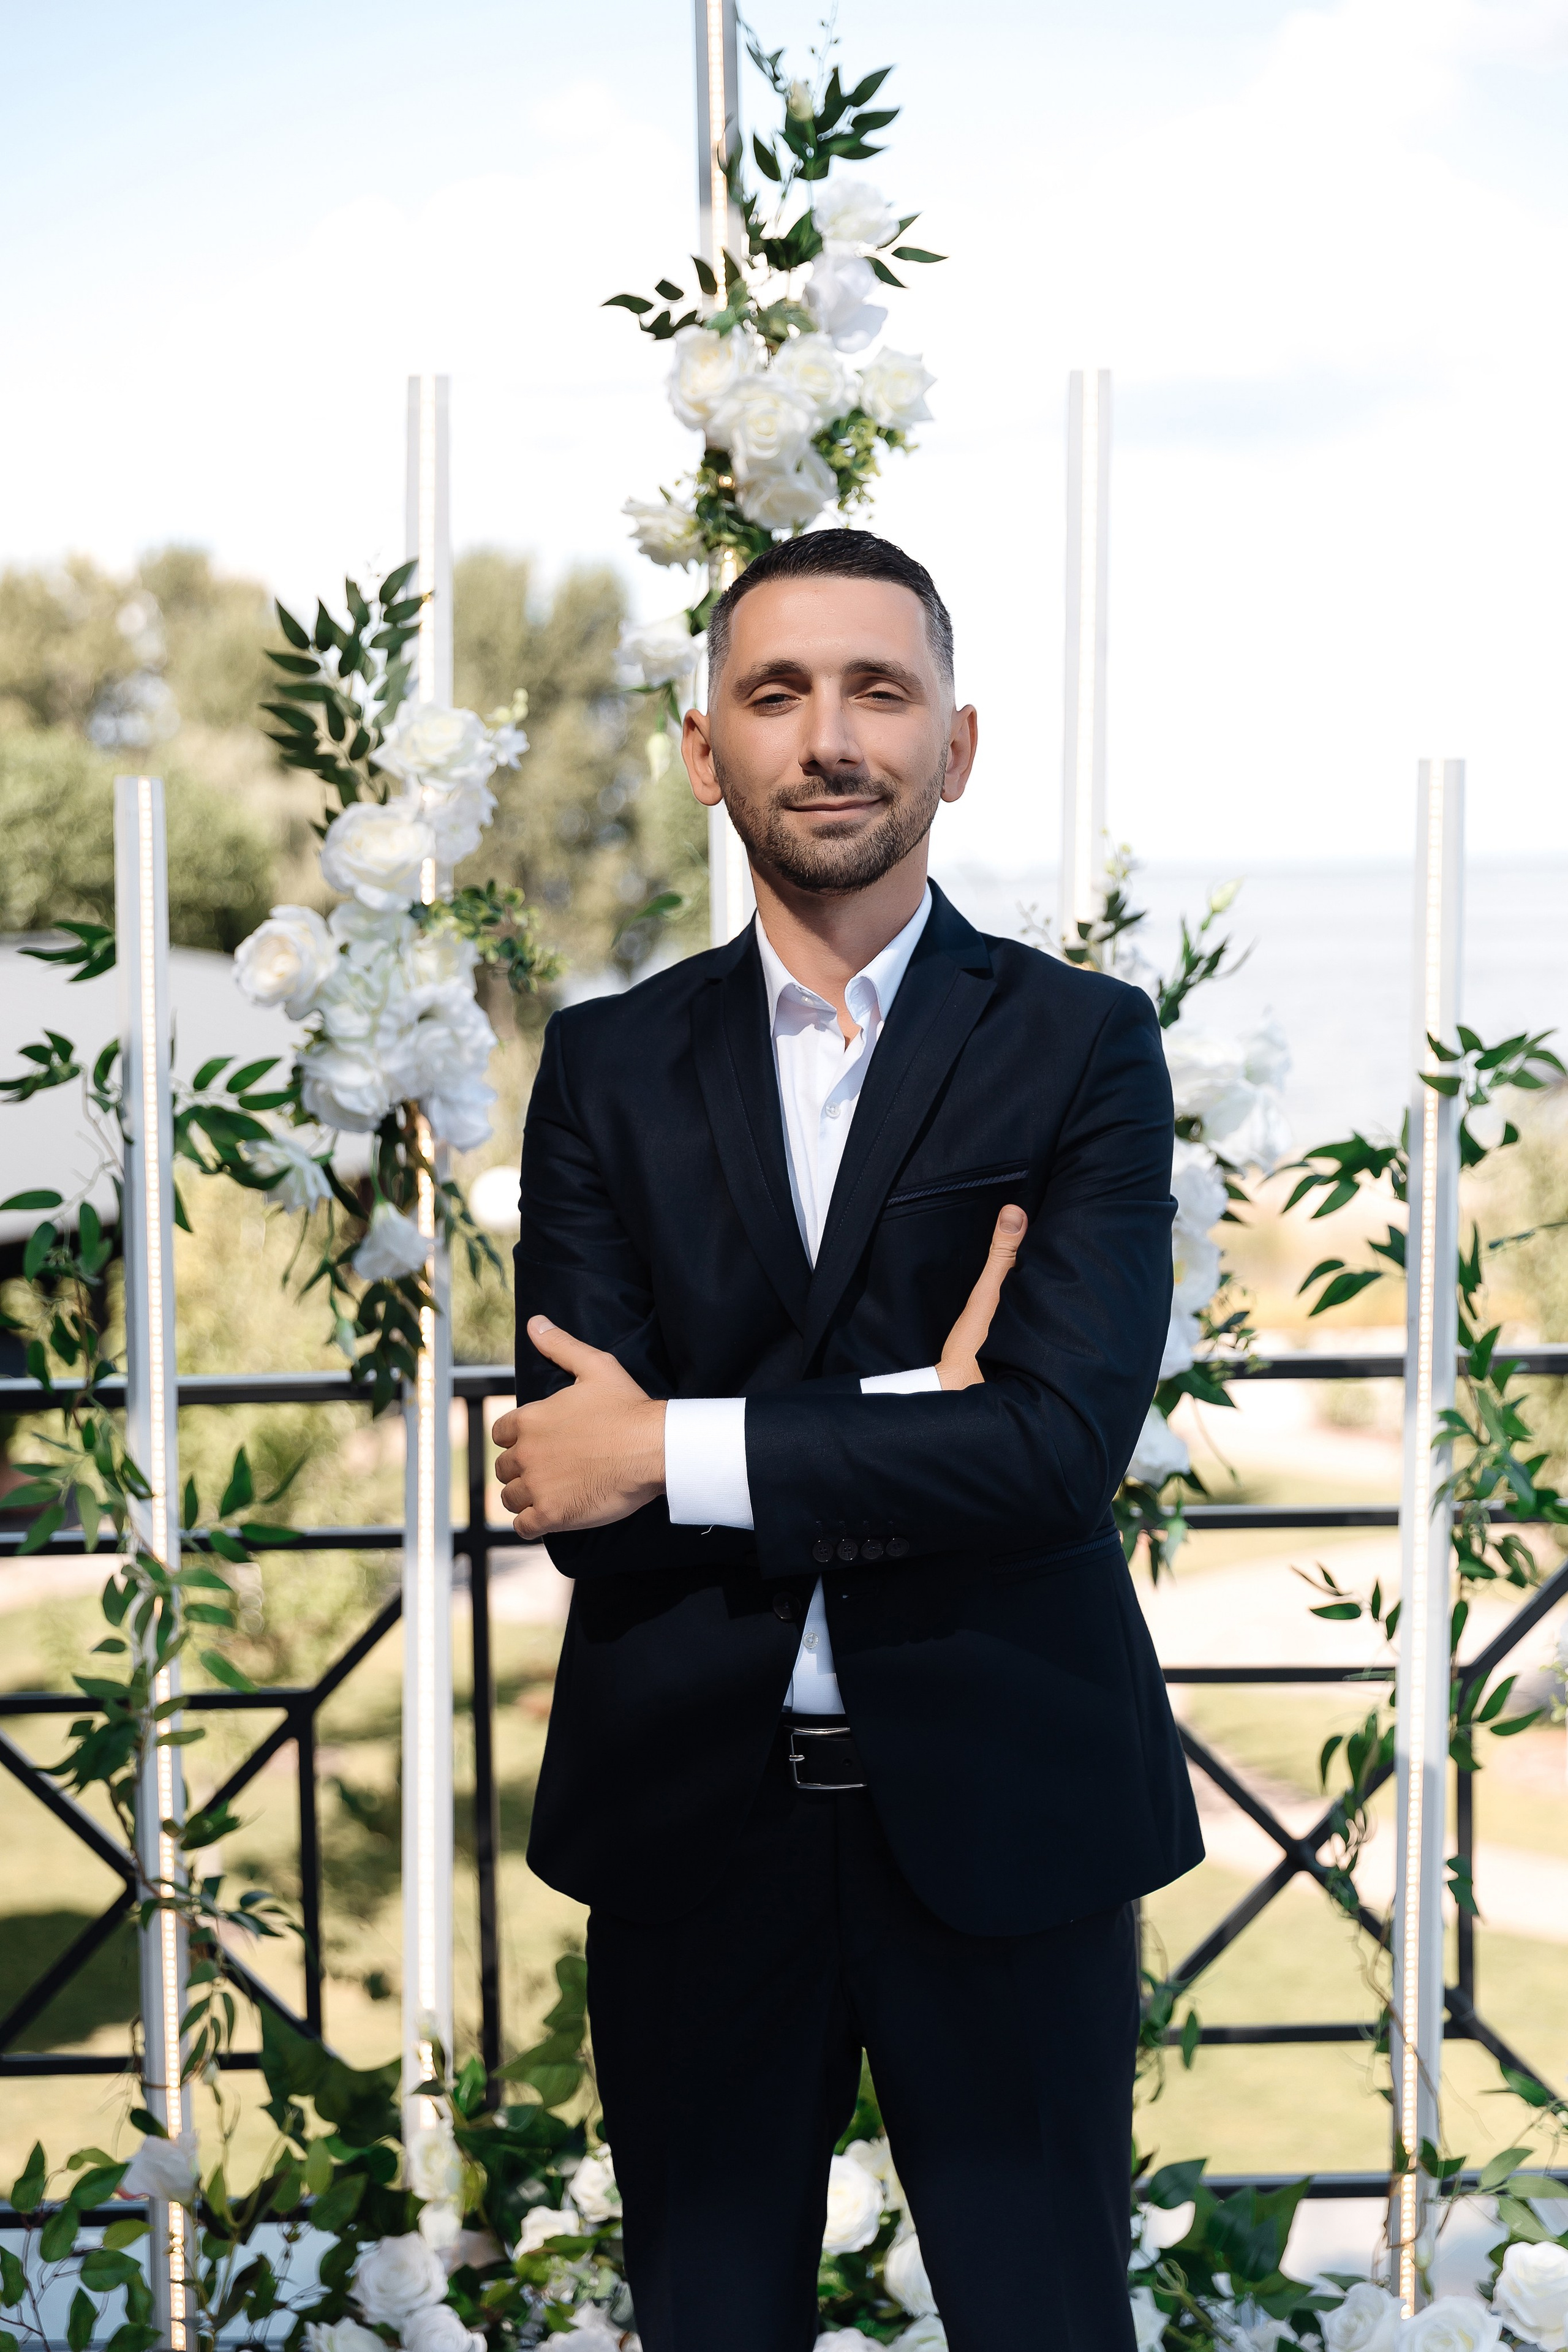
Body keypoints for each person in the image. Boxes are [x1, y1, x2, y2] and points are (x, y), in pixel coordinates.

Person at [489, 529, 1202, 2352]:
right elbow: (584, 1496)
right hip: (693, 1829)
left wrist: (687, 1447)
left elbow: (1053, 1451)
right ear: (699, 744)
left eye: (880, 690)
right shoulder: (605, 1069)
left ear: (955, 745)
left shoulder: (1085, 1048)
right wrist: (910, 1417)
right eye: (777, 691)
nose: (831, 735)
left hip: (1008, 1810)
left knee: (1049, 2329)